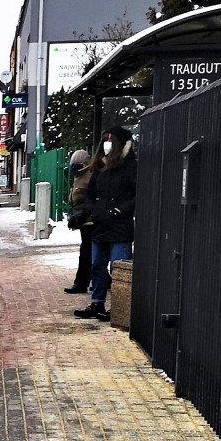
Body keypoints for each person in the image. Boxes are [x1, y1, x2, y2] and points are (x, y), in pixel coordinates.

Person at [75, 127, 136, 320]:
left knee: (117, 268)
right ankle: (97, 303)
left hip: (119, 225)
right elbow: (90, 193)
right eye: (105, 140)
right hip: (100, 224)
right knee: (97, 266)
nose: (107, 144)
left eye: (111, 140)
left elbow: (137, 194)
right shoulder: (99, 167)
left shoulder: (130, 167)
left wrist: (121, 209)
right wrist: (94, 209)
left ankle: (118, 308)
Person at [64, 149, 93, 295]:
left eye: (77, 164)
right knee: (89, 252)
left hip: (90, 221)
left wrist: (84, 212)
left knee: (87, 252)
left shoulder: (90, 176)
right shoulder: (80, 176)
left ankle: (81, 283)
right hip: (83, 220)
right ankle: (103, 280)